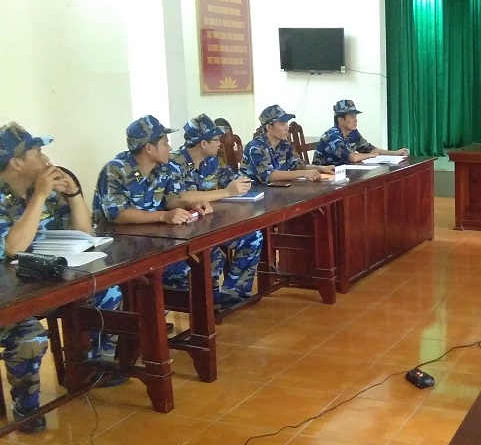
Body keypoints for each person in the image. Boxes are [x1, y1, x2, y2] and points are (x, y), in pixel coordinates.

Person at [0, 123, 123, 433]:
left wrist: (74, 195)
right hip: (8, 298)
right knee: (29, 336)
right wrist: (40, 195)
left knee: (108, 293)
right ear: (16, 163)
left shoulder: (40, 189)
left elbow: (84, 234)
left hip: (43, 285)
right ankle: (26, 409)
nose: (46, 158)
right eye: (37, 152)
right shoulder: (28, 193)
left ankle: (91, 368)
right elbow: (13, 248)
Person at [93, 115, 239, 309]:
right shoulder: (116, 170)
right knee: (182, 271)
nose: (169, 148)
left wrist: (191, 206)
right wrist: (163, 216)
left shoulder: (163, 168)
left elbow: (171, 198)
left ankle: (205, 307)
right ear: (149, 148)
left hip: (154, 241)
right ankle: (159, 312)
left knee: (211, 256)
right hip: (121, 249)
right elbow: (118, 214)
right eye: (164, 143)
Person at [169, 114, 263, 305]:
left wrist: (241, 184)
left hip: (211, 220)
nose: (220, 143)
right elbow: (180, 197)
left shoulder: (213, 161)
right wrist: (227, 192)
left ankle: (233, 292)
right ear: (203, 143)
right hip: (184, 228)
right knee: (212, 252)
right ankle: (209, 301)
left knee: (253, 236)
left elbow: (234, 180)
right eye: (216, 139)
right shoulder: (174, 163)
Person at [242, 105, 334, 182]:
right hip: (253, 192)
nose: (287, 128)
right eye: (282, 124)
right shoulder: (255, 147)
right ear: (269, 127)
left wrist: (321, 168)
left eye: (286, 123)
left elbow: (297, 165)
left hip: (276, 190)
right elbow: (269, 176)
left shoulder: (284, 145)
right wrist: (302, 173)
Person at [313, 100, 409, 166]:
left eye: (355, 117)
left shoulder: (353, 132)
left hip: (343, 173)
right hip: (323, 178)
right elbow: (352, 158)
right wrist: (373, 155)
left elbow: (370, 149)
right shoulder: (332, 136)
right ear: (340, 120)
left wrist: (394, 153)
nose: (356, 120)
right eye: (352, 117)